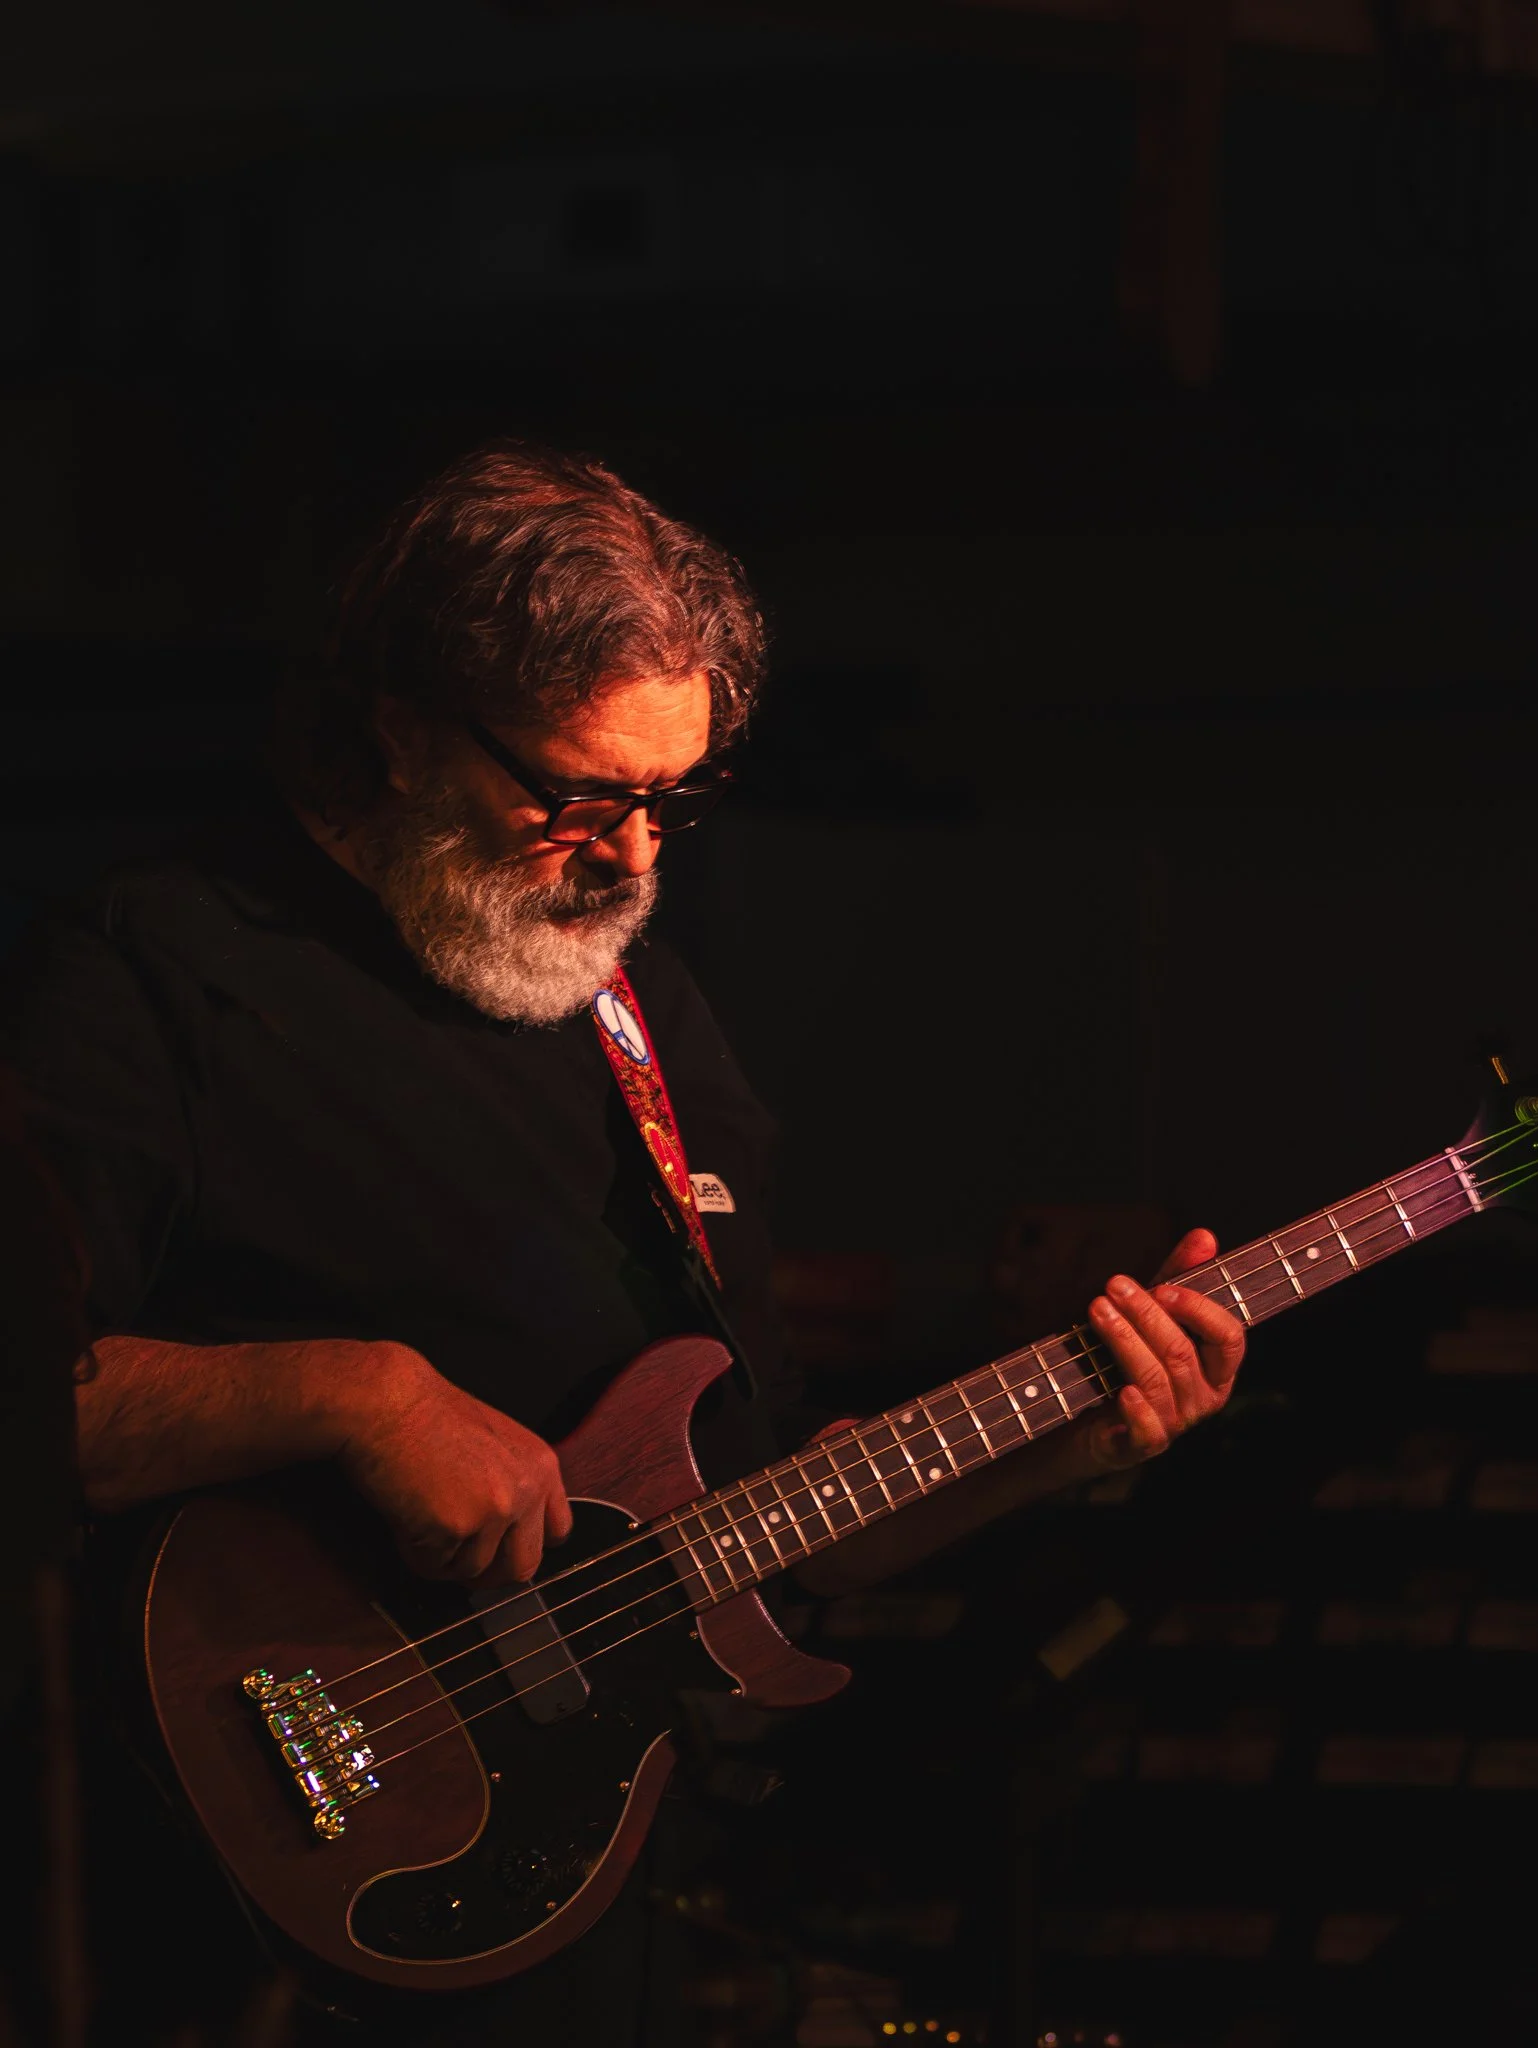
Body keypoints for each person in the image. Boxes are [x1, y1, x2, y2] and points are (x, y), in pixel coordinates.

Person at [1, 446, 1246, 2046]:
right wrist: (349, 1397)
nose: (637, 859)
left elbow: (768, 1522)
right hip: (233, 1915)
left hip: (600, 1909)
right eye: (582, 797)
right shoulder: (152, 976)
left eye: (676, 799)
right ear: (401, 730)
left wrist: (1044, 1452)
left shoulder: (647, 1025)